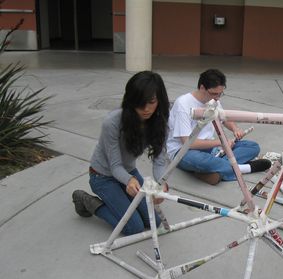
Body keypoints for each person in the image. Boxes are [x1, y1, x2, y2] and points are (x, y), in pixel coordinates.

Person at [72, 71, 169, 236]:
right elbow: (115, 166)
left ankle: (119, 201)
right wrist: (128, 181)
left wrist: (161, 184)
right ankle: (88, 201)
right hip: (102, 176)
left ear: (159, 99)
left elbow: (159, 161)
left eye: (151, 102)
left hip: (129, 172)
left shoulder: (160, 122)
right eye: (140, 103)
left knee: (154, 221)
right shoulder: (112, 122)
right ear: (131, 101)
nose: (146, 109)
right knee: (134, 227)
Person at [166, 68, 271, 185]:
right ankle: (243, 168)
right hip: (183, 151)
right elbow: (187, 142)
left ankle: (217, 170)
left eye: (220, 94)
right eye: (214, 93)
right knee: (201, 161)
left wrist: (235, 129)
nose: (217, 98)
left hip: (209, 148)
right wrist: (221, 143)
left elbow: (224, 118)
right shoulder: (183, 104)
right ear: (202, 88)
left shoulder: (213, 100)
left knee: (252, 146)